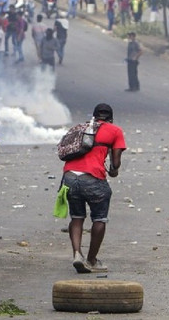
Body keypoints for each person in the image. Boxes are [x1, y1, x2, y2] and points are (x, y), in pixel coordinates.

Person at [63, 103, 126, 273]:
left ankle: (77, 254)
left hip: (69, 177)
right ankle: (91, 260)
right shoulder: (115, 131)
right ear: (111, 118)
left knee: (76, 217)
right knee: (99, 219)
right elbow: (115, 164)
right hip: (92, 178)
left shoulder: (81, 128)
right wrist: (113, 171)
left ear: (94, 116)